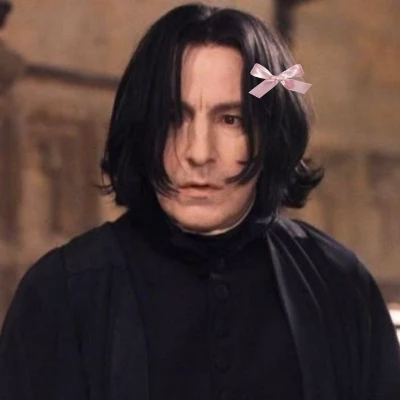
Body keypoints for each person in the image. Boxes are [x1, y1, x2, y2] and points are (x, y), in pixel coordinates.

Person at [0, 3, 399, 400]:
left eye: (231, 120)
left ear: (271, 133)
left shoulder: (338, 283)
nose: (199, 153)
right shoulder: (61, 295)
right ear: (142, 129)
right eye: (175, 117)